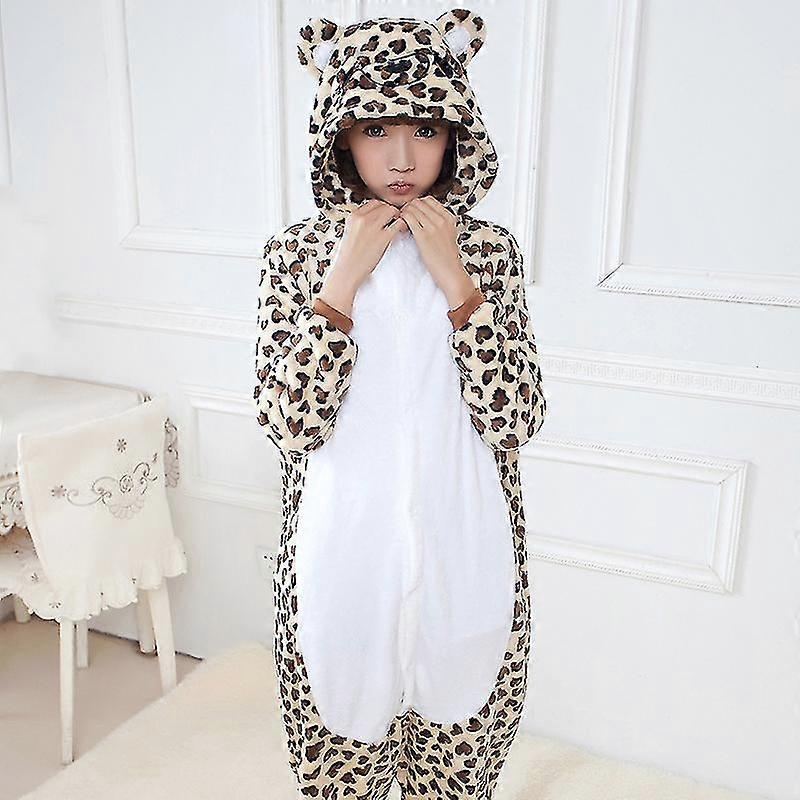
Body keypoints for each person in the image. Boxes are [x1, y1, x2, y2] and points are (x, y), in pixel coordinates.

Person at [253, 9, 548, 799]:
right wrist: (341, 282)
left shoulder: (489, 251)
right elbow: (290, 423)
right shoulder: (297, 254)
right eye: (375, 129)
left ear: (456, 134)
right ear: (339, 136)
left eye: (426, 128)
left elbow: (515, 418)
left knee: (457, 772)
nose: (402, 157)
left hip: (468, 550)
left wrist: (456, 280)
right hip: (341, 557)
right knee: (340, 770)